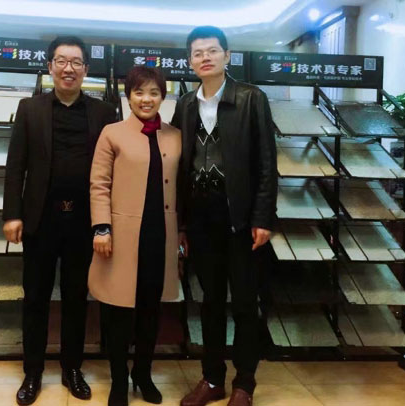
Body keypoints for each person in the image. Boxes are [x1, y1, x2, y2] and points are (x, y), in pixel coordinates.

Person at [2, 35, 116, 405]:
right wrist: (12, 214)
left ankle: (71, 369)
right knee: (35, 297)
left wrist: (108, 222)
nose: (69, 69)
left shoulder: (104, 112)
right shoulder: (30, 109)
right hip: (40, 221)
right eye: (62, 61)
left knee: (76, 298)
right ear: (50, 66)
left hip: (84, 222)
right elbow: (15, 166)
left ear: (86, 69)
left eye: (76, 62)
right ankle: (33, 372)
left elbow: (113, 170)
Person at [172, 26, 277, 406]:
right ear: (189, 61)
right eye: (198, 53)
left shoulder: (251, 98)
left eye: (212, 51)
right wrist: (182, 224)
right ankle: (212, 379)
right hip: (202, 221)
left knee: (246, 303)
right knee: (210, 302)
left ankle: (244, 383)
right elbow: (181, 167)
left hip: (242, 221)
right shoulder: (185, 105)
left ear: (227, 56)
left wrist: (263, 218)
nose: (205, 57)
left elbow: (266, 163)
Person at [89, 66, 181, 406]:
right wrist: (102, 227)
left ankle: (142, 374)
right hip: (121, 237)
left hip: (161, 236)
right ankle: (118, 379)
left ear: (163, 97)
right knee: (118, 312)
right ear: (128, 97)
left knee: (150, 311)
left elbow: (183, 188)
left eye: (154, 93)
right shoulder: (112, 133)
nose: (147, 99)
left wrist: (183, 231)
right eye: (139, 92)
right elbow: (99, 184)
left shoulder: (175, 135)